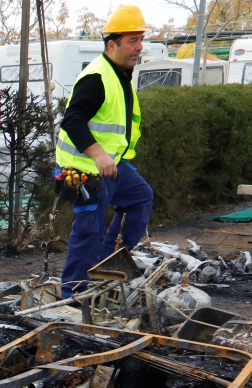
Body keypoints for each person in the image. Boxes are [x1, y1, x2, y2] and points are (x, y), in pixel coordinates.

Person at [56, 5, 154, 298]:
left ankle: (105, 262)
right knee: (88, 232)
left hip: (112, 167)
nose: (139, 47)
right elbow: (72, 120)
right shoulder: (97, 76)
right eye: (132, 41)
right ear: (112, 45)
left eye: (140, 40)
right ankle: (72, 295)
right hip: (86, 170)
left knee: (140, 197)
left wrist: (110, 158)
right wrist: (98, 155)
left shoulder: (120, 73)